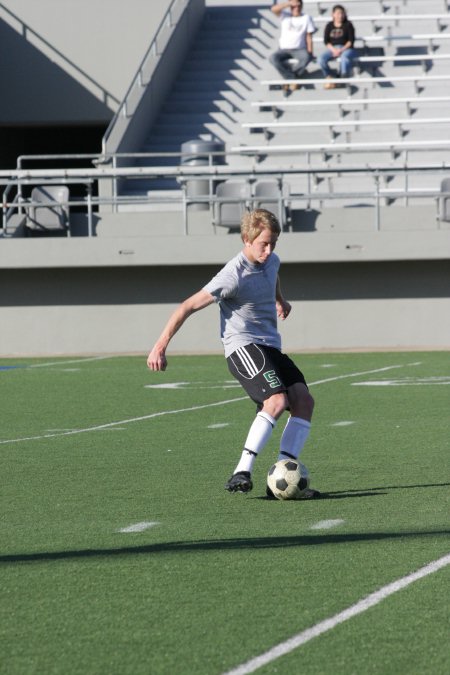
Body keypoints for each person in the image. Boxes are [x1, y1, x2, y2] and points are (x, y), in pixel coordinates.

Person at [147, 209, 320, 499]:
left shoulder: (273, 261)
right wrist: (160, 345)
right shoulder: (232, 275)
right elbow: (187, 306)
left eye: (273, 243)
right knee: (276, 401)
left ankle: (278, 476)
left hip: (270, 346)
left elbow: (272, 274)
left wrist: (280, 299)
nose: (269, 250)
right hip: (243, 346)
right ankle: (242, 470)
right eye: (263, 244)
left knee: (304, 400)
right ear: (246, 239)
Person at [269, 1, 316, 96]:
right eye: (294, 6)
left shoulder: (306, 18)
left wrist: (310, 51)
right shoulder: (285, 15)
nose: (296, 8)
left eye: (299, 6)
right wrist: (288, 3)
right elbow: (273, 9)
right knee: (273, 58)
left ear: (302, 6)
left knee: (306, 57)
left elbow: (309, 36)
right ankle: (292, 79)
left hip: (299, 49)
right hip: (283, 49)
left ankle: (290, 80)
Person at [318, 4, 357, 89]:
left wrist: (341, 50)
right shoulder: (329, 25)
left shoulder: (348, 25)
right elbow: (326, 41)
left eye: (342, 13)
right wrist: (334, 50)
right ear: (333, 14)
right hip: (333, 48)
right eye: (338, 13)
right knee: (321, 59)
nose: (340, 15)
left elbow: (351, 41)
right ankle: (330, 76)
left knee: (344, 57)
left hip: (346, 48)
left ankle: (343, 77)